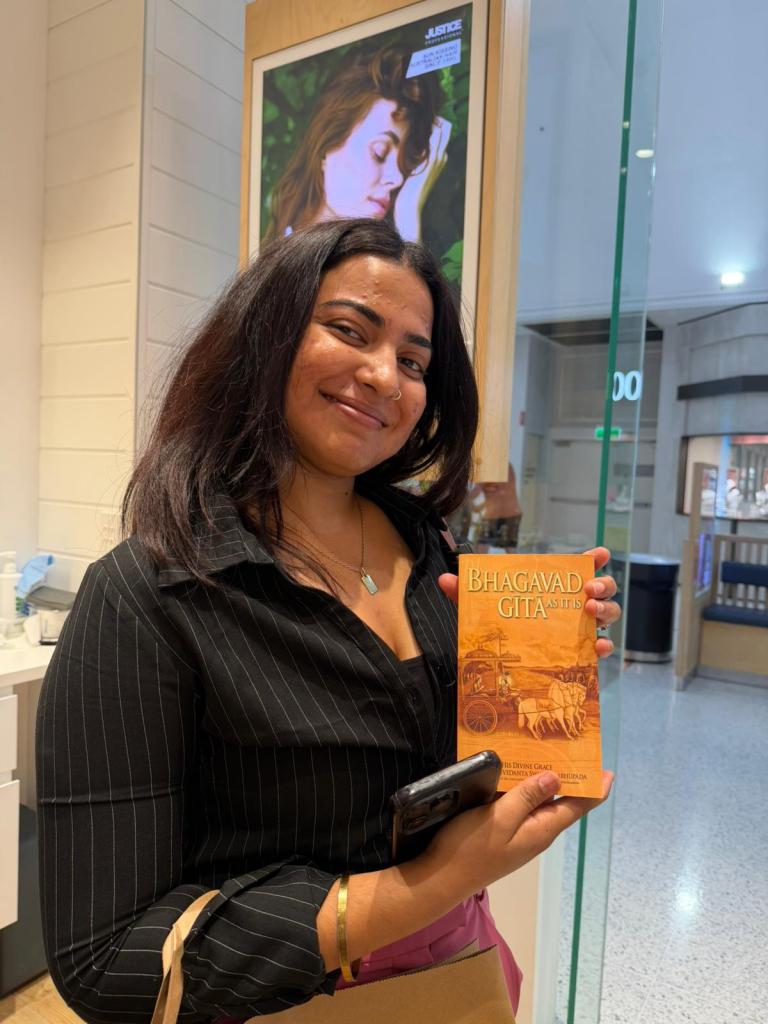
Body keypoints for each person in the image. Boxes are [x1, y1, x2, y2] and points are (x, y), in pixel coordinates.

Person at [36, 219, 619, 1023]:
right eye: (349, 330)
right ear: (263, 336)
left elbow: (439, 767)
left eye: (414, 362)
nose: (384, 376)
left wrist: (540, 675)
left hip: (464, 977)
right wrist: (436, 880)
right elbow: (105, 962)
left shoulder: (430, 547)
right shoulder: (145, 597)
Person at [262, 48, 451, 244]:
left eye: (405, 165)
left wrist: (408, 216)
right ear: (326, 146)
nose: (397, 178)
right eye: (379, 153)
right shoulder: (275, 252)